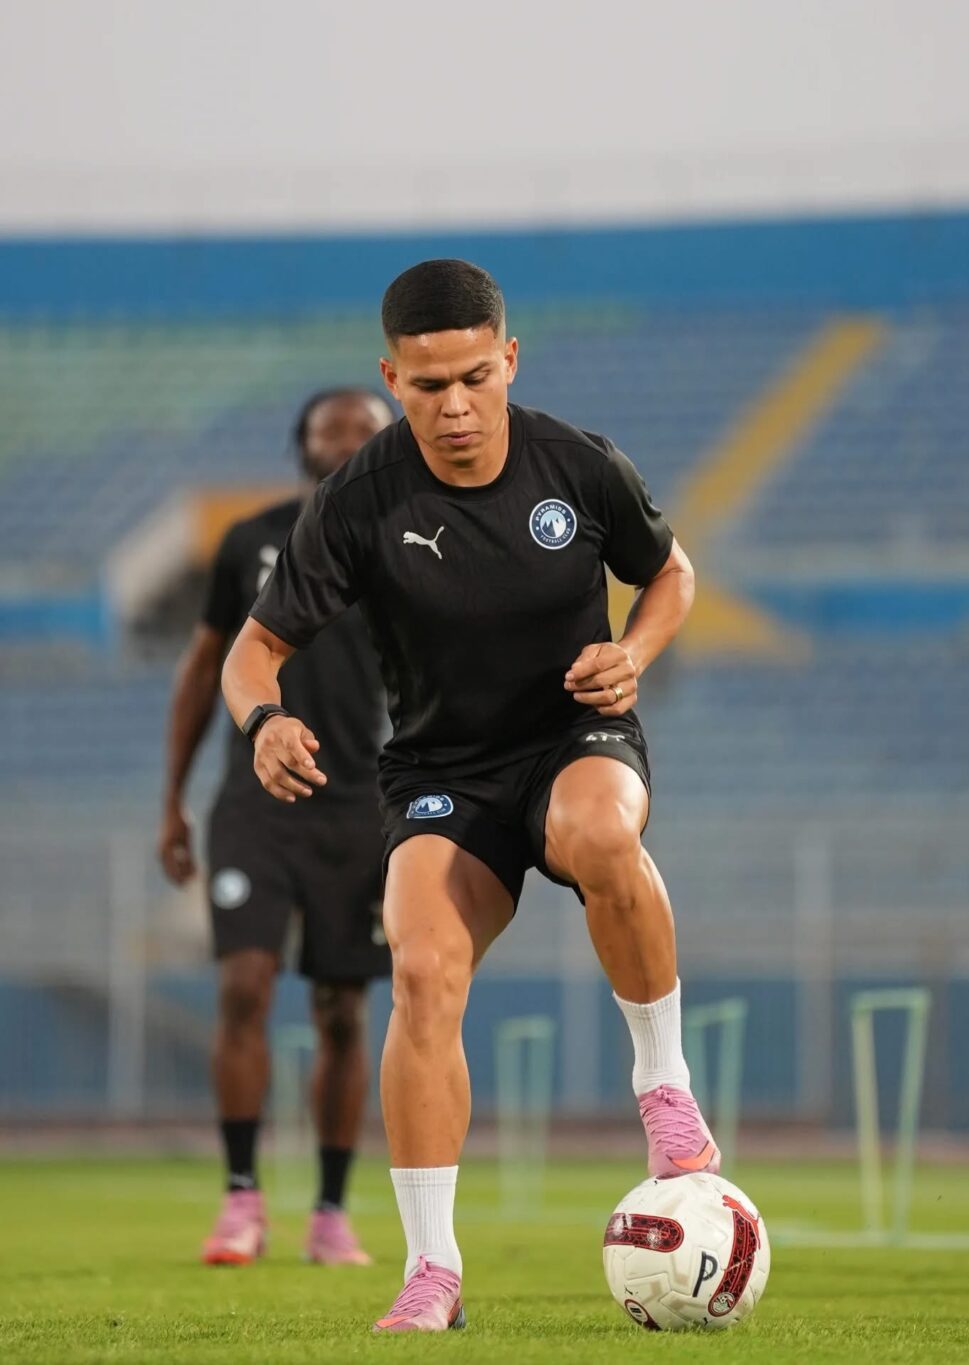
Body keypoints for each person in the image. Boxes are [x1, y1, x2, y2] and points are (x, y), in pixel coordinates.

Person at [221, 260, 715, 1329]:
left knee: (598, 831)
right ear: (391, 378)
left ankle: (664, 1086)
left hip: (572, 736)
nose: (454, 406)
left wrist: (632, 654)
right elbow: (252, 652)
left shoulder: (578, 464)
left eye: (475, 378)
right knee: (420, 970)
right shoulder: (359, 499)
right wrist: (266, 723)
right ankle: (431, 1270)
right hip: (443, 771)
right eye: (428, 385)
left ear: (510, 360)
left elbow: (672, 574)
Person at [158, 387, 394, 1267]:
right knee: (244, 985)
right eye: (332, 427)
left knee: (341, 1009)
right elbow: (202, 669)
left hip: (358, 802)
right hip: (253, 802)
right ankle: (241, 1198)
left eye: (366, 428)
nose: (347, 439)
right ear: (302, 444)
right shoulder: (250, 541)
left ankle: (330, 1211)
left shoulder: (409, 543)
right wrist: (171, 799)